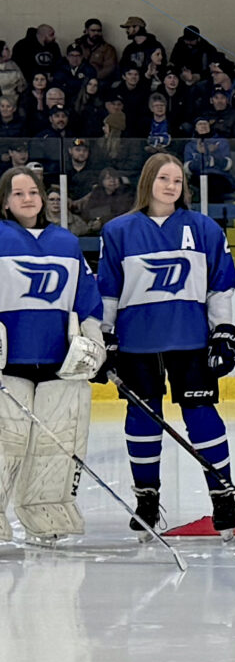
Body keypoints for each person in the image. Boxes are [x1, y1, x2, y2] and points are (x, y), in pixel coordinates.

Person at [96, 153, 235, 537]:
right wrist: (105, 336)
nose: (171, 186)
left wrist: (222, 330)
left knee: (201, 414)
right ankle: (147, 498)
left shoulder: (204, 228)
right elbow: (108, 290)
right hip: (136, 342)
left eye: (178, 180)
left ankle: (222, 497)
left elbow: (219, 286)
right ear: (148, 182)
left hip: (190, 339)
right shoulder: (119, 231)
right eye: (164, 178)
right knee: (143, 417)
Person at [0, 165, 107, 543]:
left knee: (56, 444)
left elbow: (87, 302)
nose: (27, 199)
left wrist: (94, 342)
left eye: (32, 192)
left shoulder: (65, 242)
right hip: (7, 366)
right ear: (5, 201)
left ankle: (46, 516)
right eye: (18, 193)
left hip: (58, 365)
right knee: (4, 443)